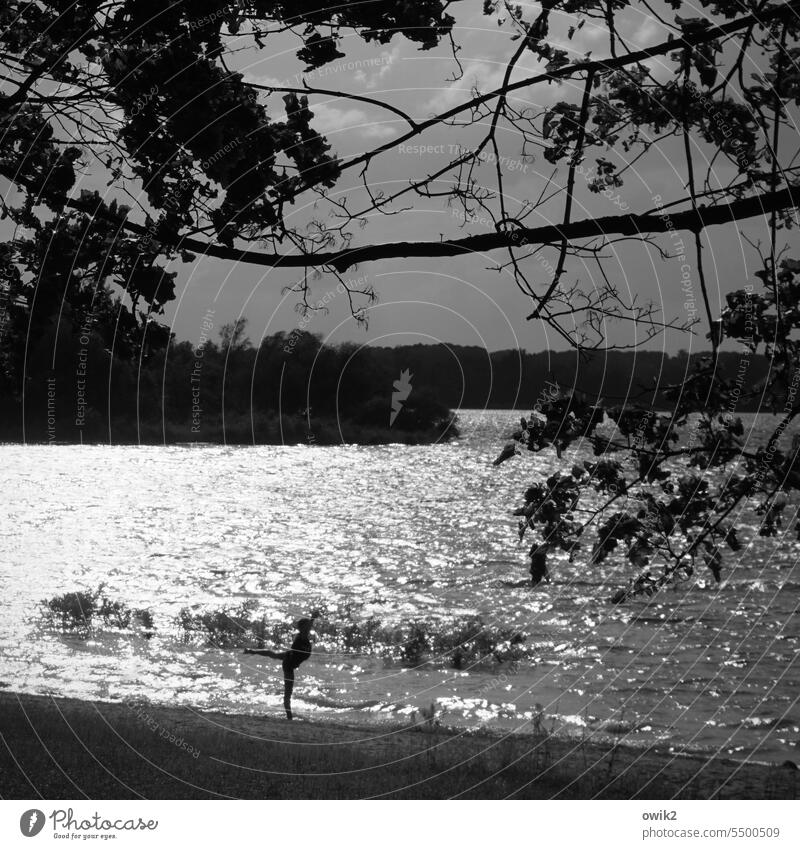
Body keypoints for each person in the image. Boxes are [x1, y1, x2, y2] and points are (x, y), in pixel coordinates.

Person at [244, 612, 318, 720]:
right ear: (302, 628)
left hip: (289, 656)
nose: (309, 628)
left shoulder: (304, 636)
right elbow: (307, 627)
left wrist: (312, 619)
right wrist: (312, 618)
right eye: (307, 627)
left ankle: (252, 651)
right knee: (288, 692)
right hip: (289, 664)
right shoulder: (301, 637)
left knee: (272, 654)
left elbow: (307, 628)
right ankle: (289, 717)